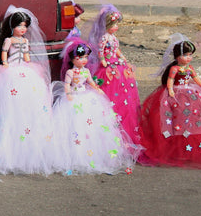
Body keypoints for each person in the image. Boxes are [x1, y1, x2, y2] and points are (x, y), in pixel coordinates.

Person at [0, 7, 64, 176]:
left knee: (30, 102)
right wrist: (5, 63)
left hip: (24, 69)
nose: (23, 29)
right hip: (11, 70)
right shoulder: (9, 40)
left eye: (25, 26)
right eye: (20, 25)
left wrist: (29, 63)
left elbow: (27, 56)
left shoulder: (25, 42)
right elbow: (4, 53)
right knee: (11, 105)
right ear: (12, 26)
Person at [138, 36, 201, 168]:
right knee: (178, 118)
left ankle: (194, 144)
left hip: (190, 92)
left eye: (190, 55)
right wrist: (170, 89)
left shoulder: (189, 67)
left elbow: (195, 78)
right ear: (177, 56)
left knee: (197, 116)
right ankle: (177, 145)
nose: (188, 58)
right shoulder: (175, 68)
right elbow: (170, 80)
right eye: (185, 55)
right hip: (177, 92)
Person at [53, 39, 138, 175]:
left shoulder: (86, 71)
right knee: (74, 124)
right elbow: (67, 84)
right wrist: (68, 94)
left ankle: (91, 151)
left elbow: (91, 82)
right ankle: (75, 152)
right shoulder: (71, 72)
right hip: (74, 97)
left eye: (85, 57)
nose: (84, 60)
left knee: (91, 123)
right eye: (80, 58)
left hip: (86, 96)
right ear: (73, 59)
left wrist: (97, 89)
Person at [88, 5, 143, 147]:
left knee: (124, 85)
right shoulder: (104, 37)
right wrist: (103, 60)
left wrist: (124, 59)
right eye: (114, 24)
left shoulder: (113, 37)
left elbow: (117, 50)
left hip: (117, 63)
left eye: (117, 24)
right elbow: (100, 50)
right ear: (107, 25)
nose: (116, 27)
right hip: (108, 66)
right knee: (109, 89)